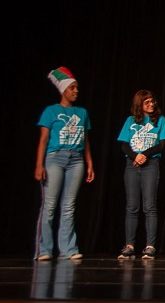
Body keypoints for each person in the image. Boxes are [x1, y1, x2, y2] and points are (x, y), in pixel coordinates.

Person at [34, 66, 95, 260]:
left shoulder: (82, 112)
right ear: (63, 90)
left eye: (77, 88)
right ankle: (44, 250)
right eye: (72, 88)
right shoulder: (51, 111)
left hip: (76, 160)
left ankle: (68, 249)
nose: (76, 91)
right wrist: (39, 164)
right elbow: (43, 140)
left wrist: (90, 163)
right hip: (55, 158)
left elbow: (85, 140)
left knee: (69, 206)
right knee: (50, 205)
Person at [116, 89, 165, 260]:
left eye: (152, 101)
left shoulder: (160, 120)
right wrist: (135, 156)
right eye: (147, 102)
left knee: (149, 206)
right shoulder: (130, 121)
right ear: (139, 104)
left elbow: (162, 144)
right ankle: (130, 245)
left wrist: (145, 154)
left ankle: (150, 245)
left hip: (151, 165)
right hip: (132, 165)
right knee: (132, 206)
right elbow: (124, 144)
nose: (151, 104)